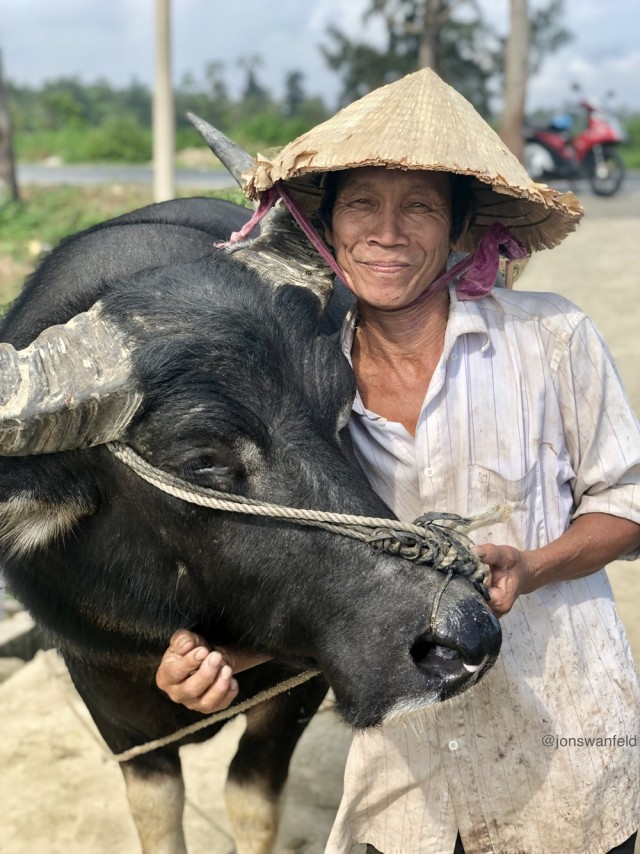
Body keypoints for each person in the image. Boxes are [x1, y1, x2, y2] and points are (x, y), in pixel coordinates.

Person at [156, 69, 640, 854]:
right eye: (361, 204)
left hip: (565, 760)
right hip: (405, 785)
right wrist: (219, 659)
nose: (387, 232)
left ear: (459, 227)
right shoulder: (306, 390)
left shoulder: (552, 338)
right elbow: (313, 568)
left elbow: (628, 502)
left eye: (418, 205)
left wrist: (535, 565)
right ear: (326, 226)